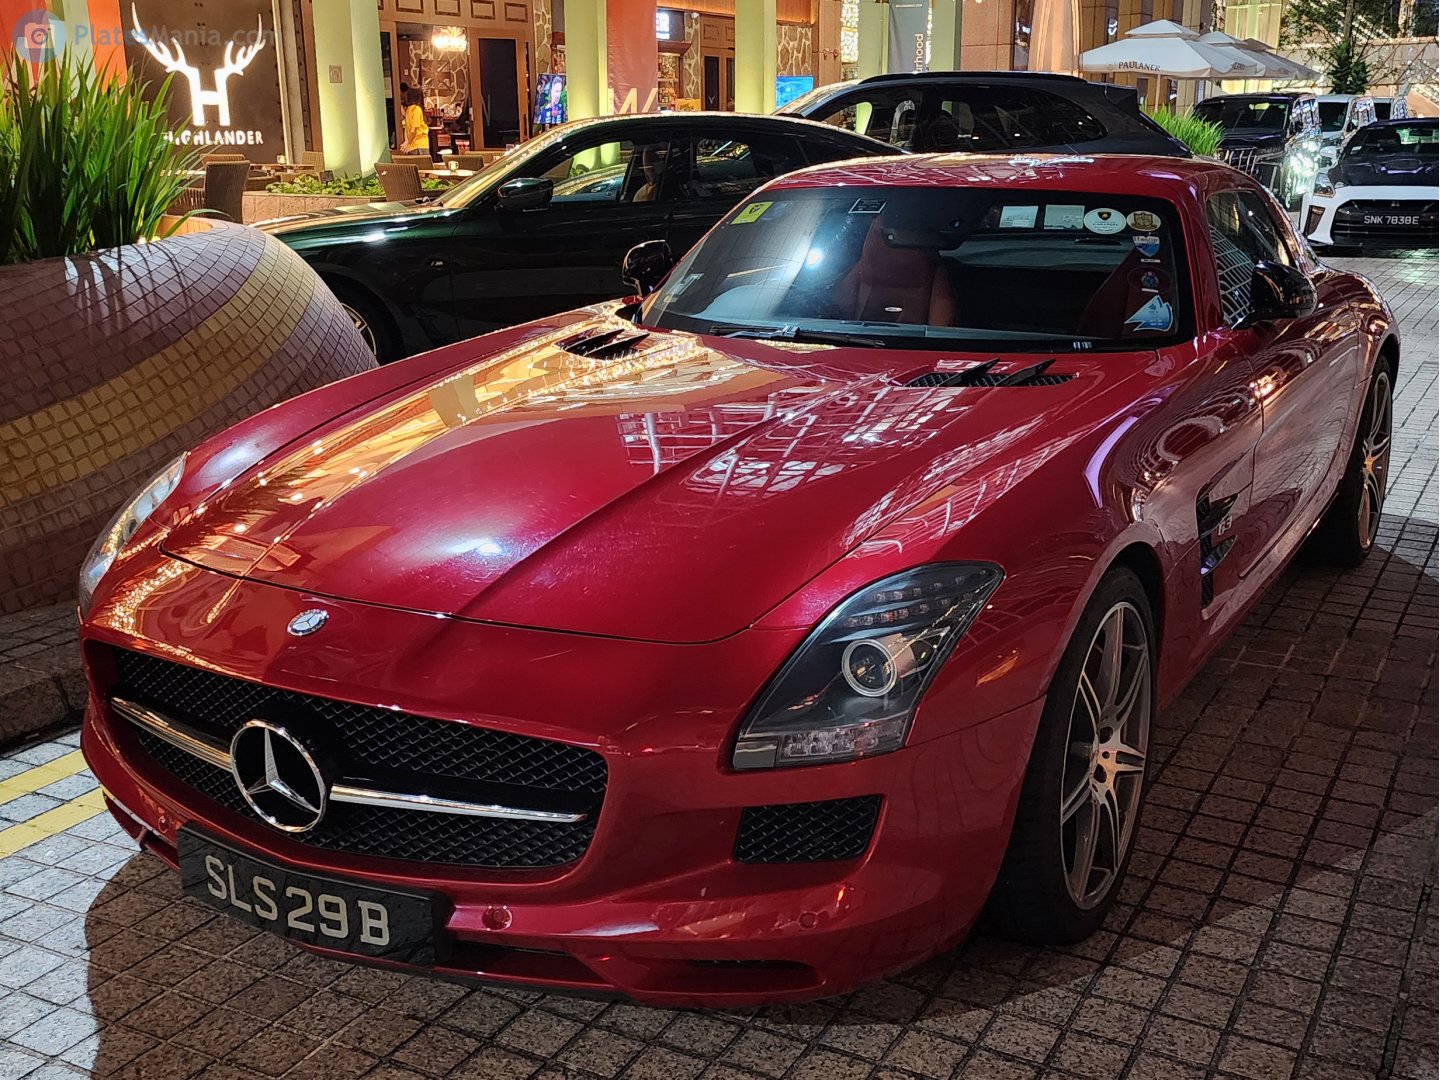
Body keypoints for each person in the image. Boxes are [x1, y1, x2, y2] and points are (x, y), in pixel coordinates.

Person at [401, 88, 429, 153]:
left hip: (412, 146)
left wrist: (406, 141)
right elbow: (413, 130)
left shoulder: (408, 110)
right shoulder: (417, 109)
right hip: (420, 144)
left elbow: (406, 128)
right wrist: (407, 143)